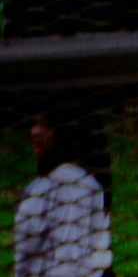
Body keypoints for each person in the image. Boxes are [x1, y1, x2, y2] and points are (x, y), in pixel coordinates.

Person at [10, 104, 105, 277]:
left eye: (45, 126)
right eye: (35, 123)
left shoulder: (56, 184)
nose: (35, 131)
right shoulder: (89, 182)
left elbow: (30, 247)